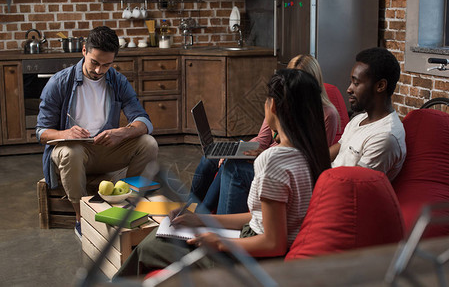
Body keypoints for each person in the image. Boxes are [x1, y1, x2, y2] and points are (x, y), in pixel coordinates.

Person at [114, 68, 331, 278]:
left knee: (150, 245)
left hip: (251, 257)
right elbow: (262, 218)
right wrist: (202, 220)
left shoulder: (272, 160)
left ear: (272, 105)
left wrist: (218, 242)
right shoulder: (309, 155)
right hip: (256, 247)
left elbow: (274, 243)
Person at [36, 26, 158, 239]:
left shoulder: (118, 81)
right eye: (95, 62)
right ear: (84, 51)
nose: (100, 71)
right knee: (71, 151)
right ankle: (81, 219)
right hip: (72, 153)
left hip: (104, 151)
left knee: (148, 143)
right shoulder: (59, 82)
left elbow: (143, 121)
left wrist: (123, 132)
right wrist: (66, 133)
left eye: (107, 65)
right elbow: (41, 132)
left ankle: (128, 208)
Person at [191, 54, 339, 214]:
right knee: (213, 156)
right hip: (268, 155)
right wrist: (242, 149)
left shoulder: (327, 114)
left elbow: (312, 158)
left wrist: (263, 154)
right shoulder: (280, 105)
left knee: (232, 167)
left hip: (279, 162)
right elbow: (262, 138)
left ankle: (203, 213)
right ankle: (191, 207)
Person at [330, 47, 406, 181]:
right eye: (350, 82)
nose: (349, 89)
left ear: (380, 86)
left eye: (356, 83)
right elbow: (334, 152)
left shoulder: (385, 137)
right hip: (327, 183)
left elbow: (355, 186)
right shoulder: (360, 118)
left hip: (341, 196)